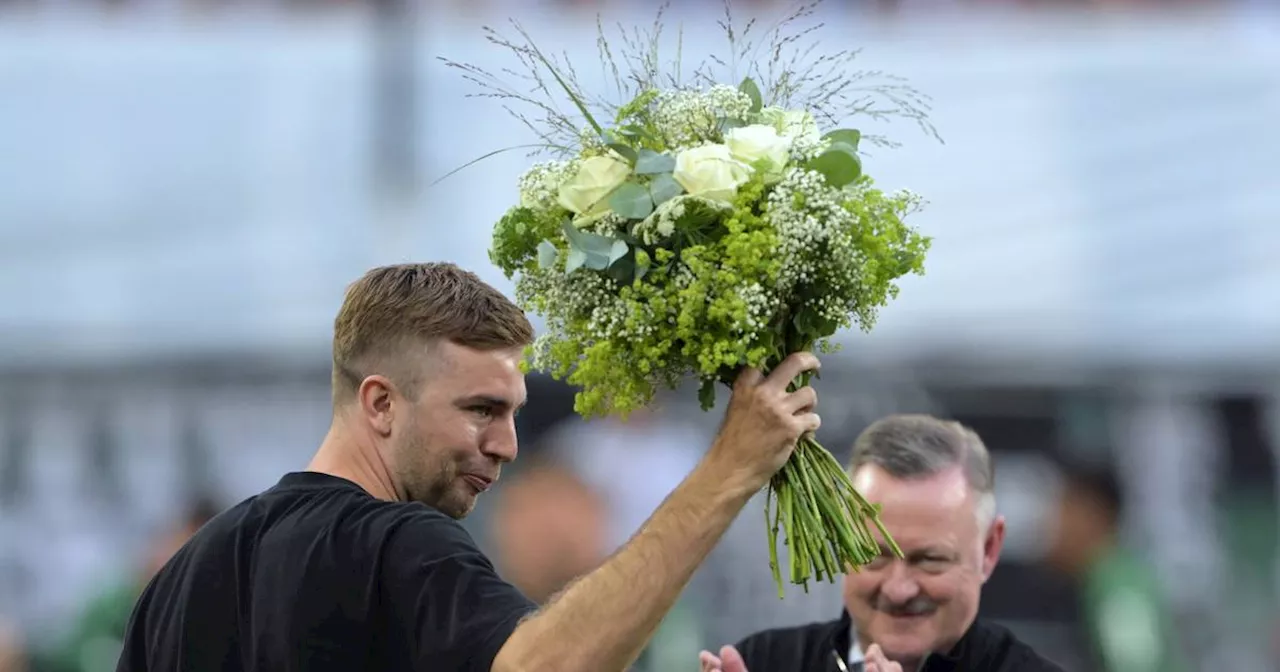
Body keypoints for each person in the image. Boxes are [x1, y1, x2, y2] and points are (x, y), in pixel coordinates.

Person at [115, 262, 822, 672]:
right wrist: (729, 468)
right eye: (481, 410)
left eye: (511, 413)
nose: (508, 445)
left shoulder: (180, 577)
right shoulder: (396, 544)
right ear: (382, 404)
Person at [699, 414, 1063, 672]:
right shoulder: (765, 663)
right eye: (873, 555)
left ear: (989, 550)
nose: (898, 588)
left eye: (929, 559)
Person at [1044, 460, 1189, 672]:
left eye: (1064, 510)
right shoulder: (1102, 579)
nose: (1053, 526)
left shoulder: (1119, 587)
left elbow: (1138, 667)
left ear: (1093, 514)